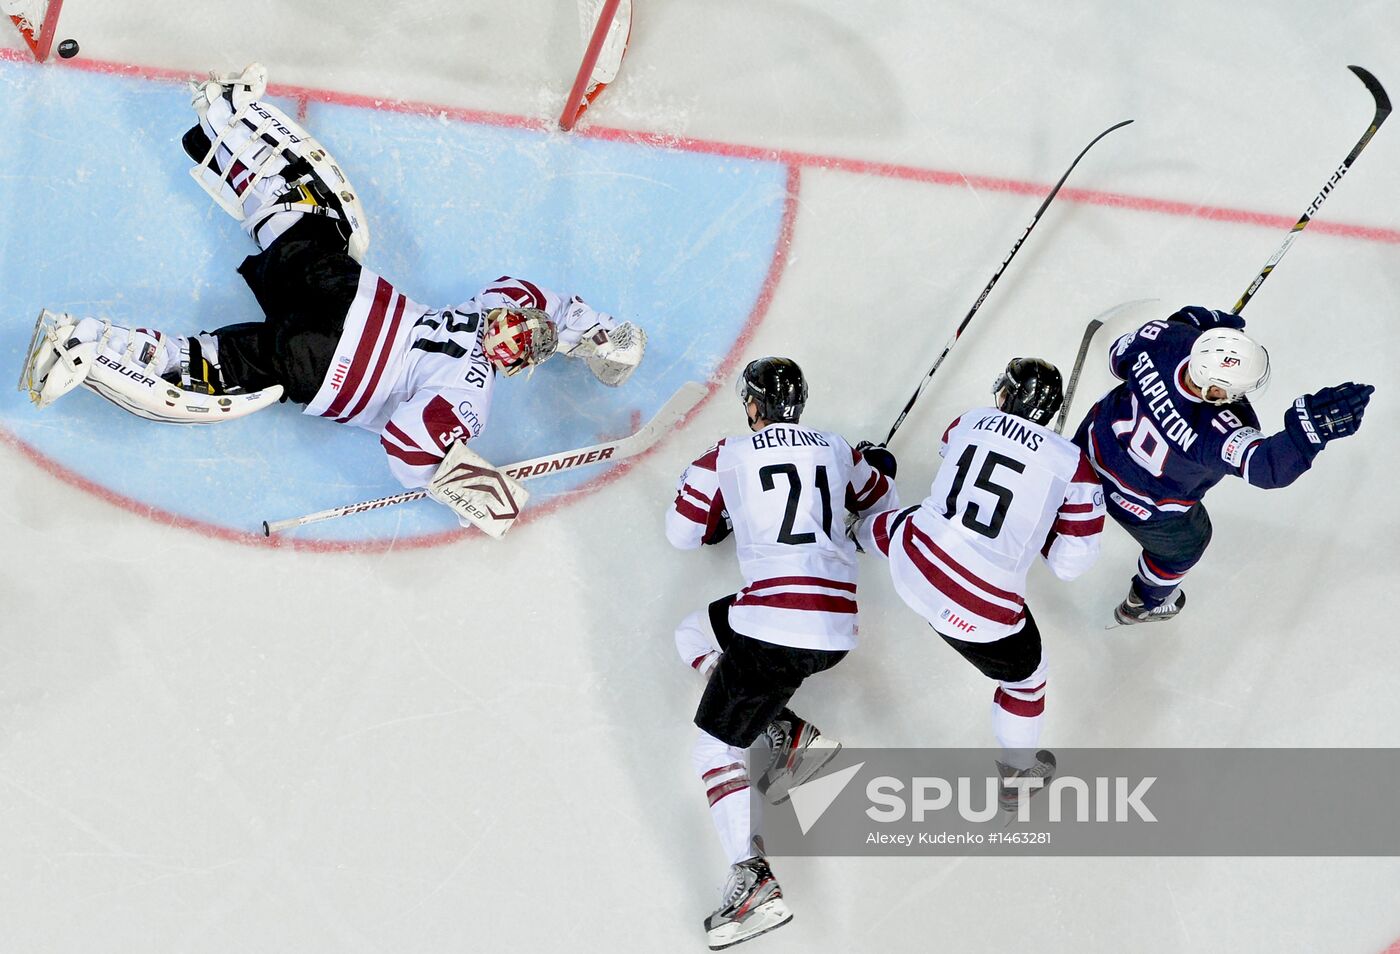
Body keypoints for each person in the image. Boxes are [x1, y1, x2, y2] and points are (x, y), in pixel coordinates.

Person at [19, 64, 645, 518]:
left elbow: (543, 303)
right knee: (208, 364)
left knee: (304, 222)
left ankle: (222, 121)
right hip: (322, 362)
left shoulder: (494, 301)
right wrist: (462, 481)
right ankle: (83, 345)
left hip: (350, 296)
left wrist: (596, 336)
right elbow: (407, 443)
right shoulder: (471, 396)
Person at [665, 356, 898, 950]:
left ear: (751, 406)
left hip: (775, 628)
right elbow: (877, 490)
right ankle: (786, 734)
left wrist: (720, 513)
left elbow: (683, 533)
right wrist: (878, 462)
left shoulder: (725, 455)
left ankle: (753, 881)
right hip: (834, 626)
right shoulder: (838, 448)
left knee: (714, 747)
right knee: (694, 633)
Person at [853, 358, 1103, 801]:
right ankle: (1017, 774)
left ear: (1007, 394)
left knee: (916, 521)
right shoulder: (1074, 467)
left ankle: (849, 533)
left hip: (911, 564)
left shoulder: (967, 421)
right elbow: (1069, 565)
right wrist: (1041, 525)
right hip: (976, 611)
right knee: (1026, 679)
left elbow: (954, 460)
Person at [1071, 306, 1373, 624]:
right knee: (1188, 544)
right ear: (1214, 389)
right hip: (1142, 505)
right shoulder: (1218, 429)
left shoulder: (1167, 337)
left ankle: (1048, 511)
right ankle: (1142, 603)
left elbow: (1117, 359)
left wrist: (1185, 323)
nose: (1241, 395)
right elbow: (1267, 467)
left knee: (1066, 479)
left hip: (1089, 450)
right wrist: (1307, 433)